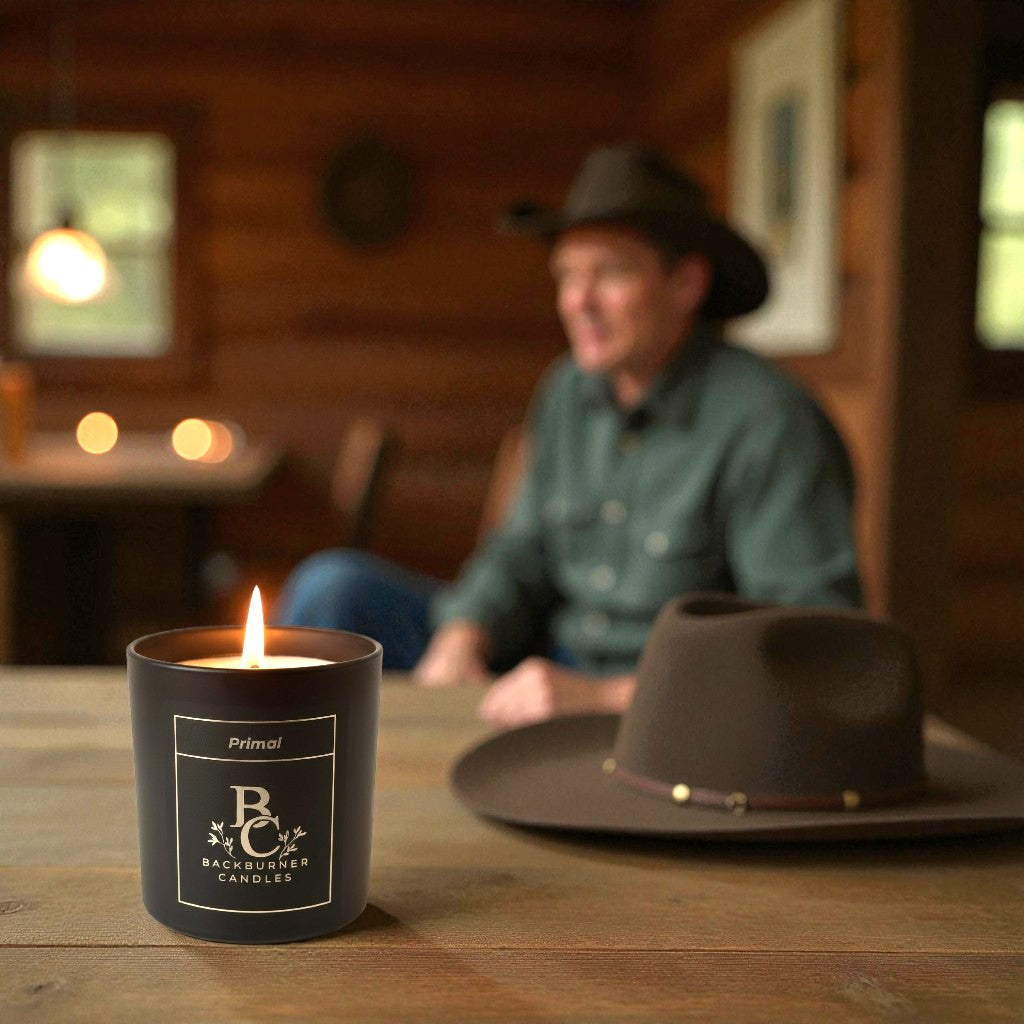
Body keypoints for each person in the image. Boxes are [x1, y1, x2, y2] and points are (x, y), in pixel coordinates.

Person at [277, 145, 862, 728]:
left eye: (610, 272)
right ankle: (268, 799)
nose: (577, 302)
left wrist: (603, 698)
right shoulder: (568, 392)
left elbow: (809, 650)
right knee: (334, 587)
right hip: (548, 663)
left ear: (686, 283)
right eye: (566, 275)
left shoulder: (769, 422)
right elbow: (521, 550)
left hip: (663, 709)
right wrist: (464, 633)